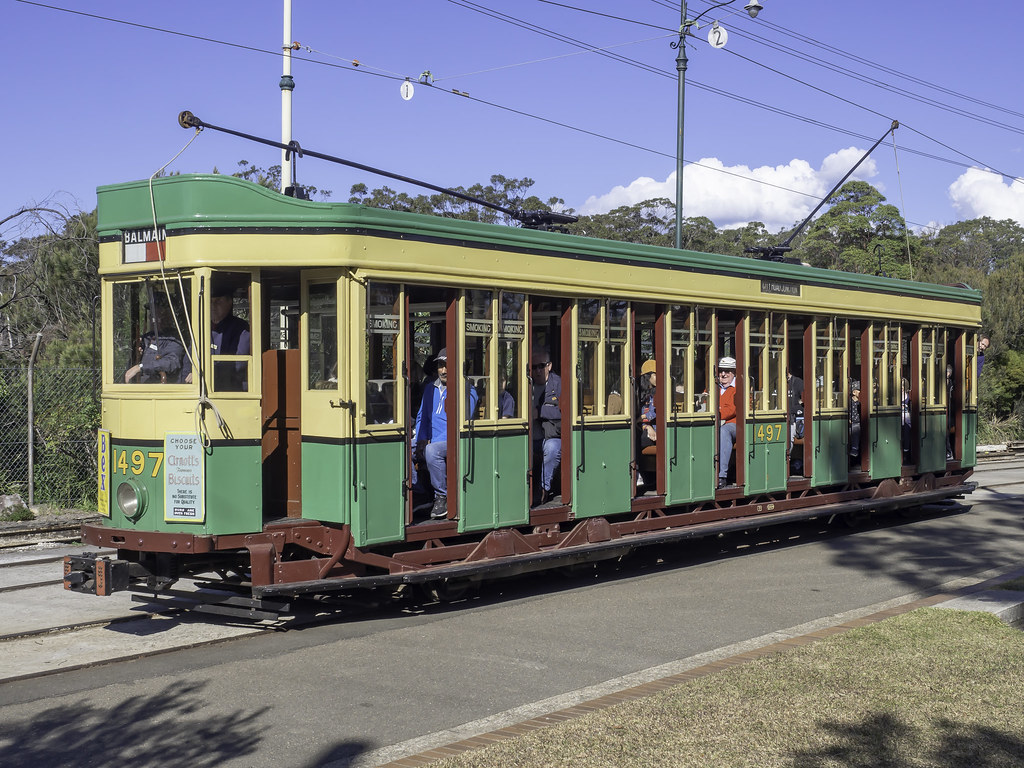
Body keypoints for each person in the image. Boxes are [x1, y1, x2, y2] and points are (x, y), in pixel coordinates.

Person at [412, 348, 479, 519]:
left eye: (447, 365)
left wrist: (431, 442)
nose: (443, 370)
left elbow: (460, 423)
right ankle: (419, 492)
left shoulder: (467, 391)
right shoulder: (430, 388)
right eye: (441, 365)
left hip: (453, 440)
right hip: (431, 439)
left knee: (432, 450)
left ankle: (442, 497)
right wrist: (421, 438)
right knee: (403, 447)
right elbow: (422, 417)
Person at [183, 284, 252, 389]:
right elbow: (189, 358)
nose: (213, 306)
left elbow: (238, 363)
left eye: (218, 301)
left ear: (229, 302)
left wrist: (203, 374)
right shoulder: (202, 327)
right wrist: (189, 376)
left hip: (232, 390)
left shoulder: (241, 328)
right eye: (210, 301)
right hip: (200, 388)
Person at [124, 293, 186, 384]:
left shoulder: (174, 340)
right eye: (151, 314)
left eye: (157, 314)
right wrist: (137, 353)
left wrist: (140, 367)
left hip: (162, 389)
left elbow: (171, 362)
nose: (152, 318)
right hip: (140, 387)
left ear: (168, 316)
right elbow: (130, 369)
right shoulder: (146, 338)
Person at [531, 348, 561, 504]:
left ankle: (543, 490)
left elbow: (566, 412)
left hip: (552, 436)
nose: (537, 371)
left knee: (551, 449)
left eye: (541, 366)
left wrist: (540, 412)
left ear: (549, 366)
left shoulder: (559, 385)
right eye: (533, 367)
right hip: (531, 437)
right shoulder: (526, 384)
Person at [717, 356, 737, 489]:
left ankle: (722, 476)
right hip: (716, 422)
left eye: (727, 371)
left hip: (734, 425)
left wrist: (716, 412)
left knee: (724, 431)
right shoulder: (714, 387)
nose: (723, 374)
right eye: (721, 371)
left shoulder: (738, 387)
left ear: (733, 373)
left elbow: (733, 410)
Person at [787, 368, 804, 474]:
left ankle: (786, 462)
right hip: (779, 417)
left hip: (793, 418)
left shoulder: (798, 382)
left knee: (789, 437)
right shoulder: (775, 382)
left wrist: (792, 410)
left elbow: (806, 403)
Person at [638, 359, 657, 449]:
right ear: (647, 376)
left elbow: (656, 412)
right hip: (643, 427)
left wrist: (642, 417)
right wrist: (646, 426)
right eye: (655, 375)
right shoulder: (639, 393)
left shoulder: (657, 392)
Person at [849, 379, 862, 465]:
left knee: (856, 428)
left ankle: (855, 449)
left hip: (858, 422)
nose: (860, 392)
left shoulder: (860, 402)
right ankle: (854, 449)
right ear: (854, 392)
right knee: (854, 429)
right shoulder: (849, 402)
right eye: (859, 390)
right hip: (852, 422)